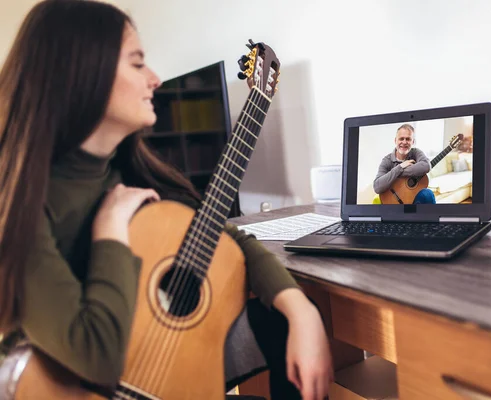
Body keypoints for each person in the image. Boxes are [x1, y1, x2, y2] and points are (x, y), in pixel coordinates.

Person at [0, 1, 333, 399]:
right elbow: (99, 357)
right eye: (138, 63)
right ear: (80, 70)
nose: (155, 79)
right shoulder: (21, 206)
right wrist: (110, 231)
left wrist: (301, 311)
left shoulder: (131, 173)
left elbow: (228, 238)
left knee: (275, 320)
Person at [372, 124, 436, 204]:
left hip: (414, 198)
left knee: (428, 194)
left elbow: (426, 166)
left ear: (413, 142)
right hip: (393, 201)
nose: (404, 142)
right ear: (395, 141)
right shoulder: (387, 160)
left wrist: (400, 172)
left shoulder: (416, 153)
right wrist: (400, 167)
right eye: (401, 139)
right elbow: (377, 187)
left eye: (408, 139)